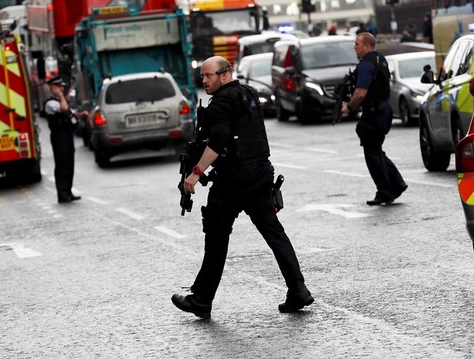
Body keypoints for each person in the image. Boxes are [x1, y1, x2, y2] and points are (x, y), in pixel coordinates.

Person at [172, 56, 313, 319]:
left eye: (208, 76)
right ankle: (298, 289)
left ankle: (202, 299)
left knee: (216, 237)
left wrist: (195, 173)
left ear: (224, 75)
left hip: (233, 180)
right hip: (259, 174)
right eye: (202, 76)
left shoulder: (222, 102)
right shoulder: (247, 94)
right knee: (274, 233)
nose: (203, 81)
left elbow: (219, 141)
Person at [341, 33, 407, 205]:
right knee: (376, 150)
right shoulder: (380, 60)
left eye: (357, 44)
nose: (354, 47)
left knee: (372, 153)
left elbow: (361, 92)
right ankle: (396, 184)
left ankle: (386, 191)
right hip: (383, 110)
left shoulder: (366, 64)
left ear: (367, 46)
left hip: (374, 112)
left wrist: (349, 107)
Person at [43, 76, 87, 203]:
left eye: (61, 86)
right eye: (59, 87)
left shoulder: (60, 101)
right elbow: (63, 109)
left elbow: (70, 112)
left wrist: (81, 114)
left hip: (67, 135)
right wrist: (62, 96)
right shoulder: (50, 103)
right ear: (53, 88)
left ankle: (68, 191)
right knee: (62, 164)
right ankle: (62, 194)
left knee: (69, 163)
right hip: (59, 136)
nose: (61, 89)